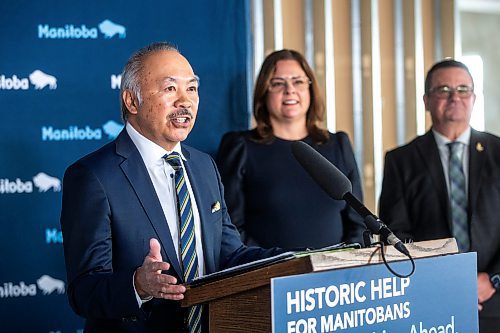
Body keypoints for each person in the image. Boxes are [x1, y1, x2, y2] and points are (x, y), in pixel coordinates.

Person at [60, 42, 283, 332]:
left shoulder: (204, 166)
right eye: (170, 89)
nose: (185, 101)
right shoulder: (92, 176)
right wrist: (138, 284)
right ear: (132, 101)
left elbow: (229, 256)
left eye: (191, 89)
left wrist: (297, 259)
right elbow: (84, 292)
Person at [378, 59, 500, 333]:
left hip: (495, 300)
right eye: (443, 89)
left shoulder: (498, 152)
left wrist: (492, 279)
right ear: (426, 100)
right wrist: (439, 279)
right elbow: (394, 233)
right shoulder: (401, 160)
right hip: (430, 301)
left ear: (474, 98)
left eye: (463, 89)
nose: (454, 96)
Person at [216, 49, 365, 250]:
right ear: (263, 92)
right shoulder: (240, 146)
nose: (290, 90)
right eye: (277, 83)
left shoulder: (338, 144)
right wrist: (276, 265)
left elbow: (357, 222)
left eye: (298, 81)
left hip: (335, 275)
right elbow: (231, 228)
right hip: (269, 275)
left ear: (310, 89)